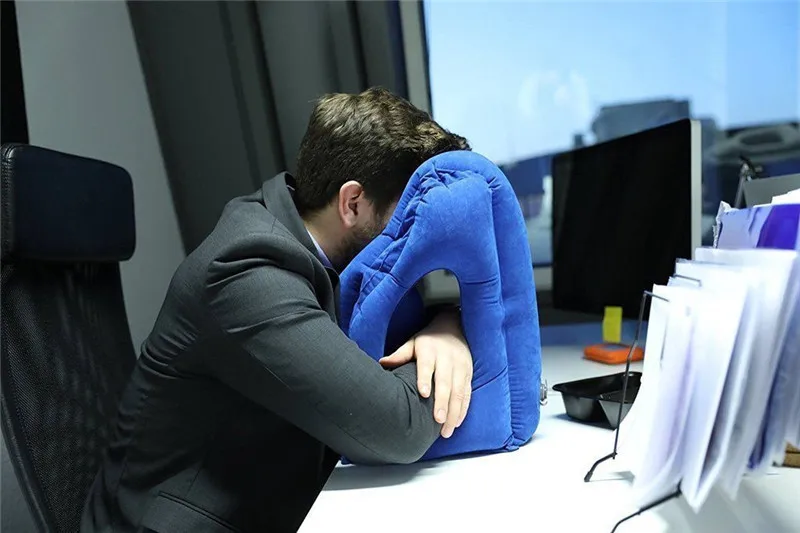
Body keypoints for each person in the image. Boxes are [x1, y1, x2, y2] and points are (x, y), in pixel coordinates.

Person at [81, 87, 474, 533]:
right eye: (407, 215)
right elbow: (397, 428)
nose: (415, 235)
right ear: (352, 203)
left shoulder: (310, 246)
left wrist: (446, 321)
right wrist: (449, 340)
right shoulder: (245, 275)